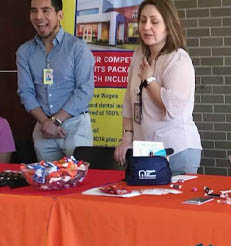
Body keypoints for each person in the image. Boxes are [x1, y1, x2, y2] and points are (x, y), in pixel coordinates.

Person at [114, 0, 202, 175]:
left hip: (176, 151)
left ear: (168, 26)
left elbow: (171, 107)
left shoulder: (178, 59)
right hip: (146, 151)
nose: (146, 27)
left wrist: (149, 80)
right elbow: (129, 100)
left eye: (154, 22)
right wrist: (126, 138)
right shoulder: (139, 54)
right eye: (143, 20)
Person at [17, 0, 94, 162]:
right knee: (48, 183)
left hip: (75, 126)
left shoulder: (77, 48)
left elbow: (84, 90)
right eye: (34, 11)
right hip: (43, 128)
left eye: (46, 10)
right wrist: (46, 122)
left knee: (79, 181)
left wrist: (57, 121)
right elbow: (26, 92)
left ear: (59, 15)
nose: (38, 17)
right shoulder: (24, 52)